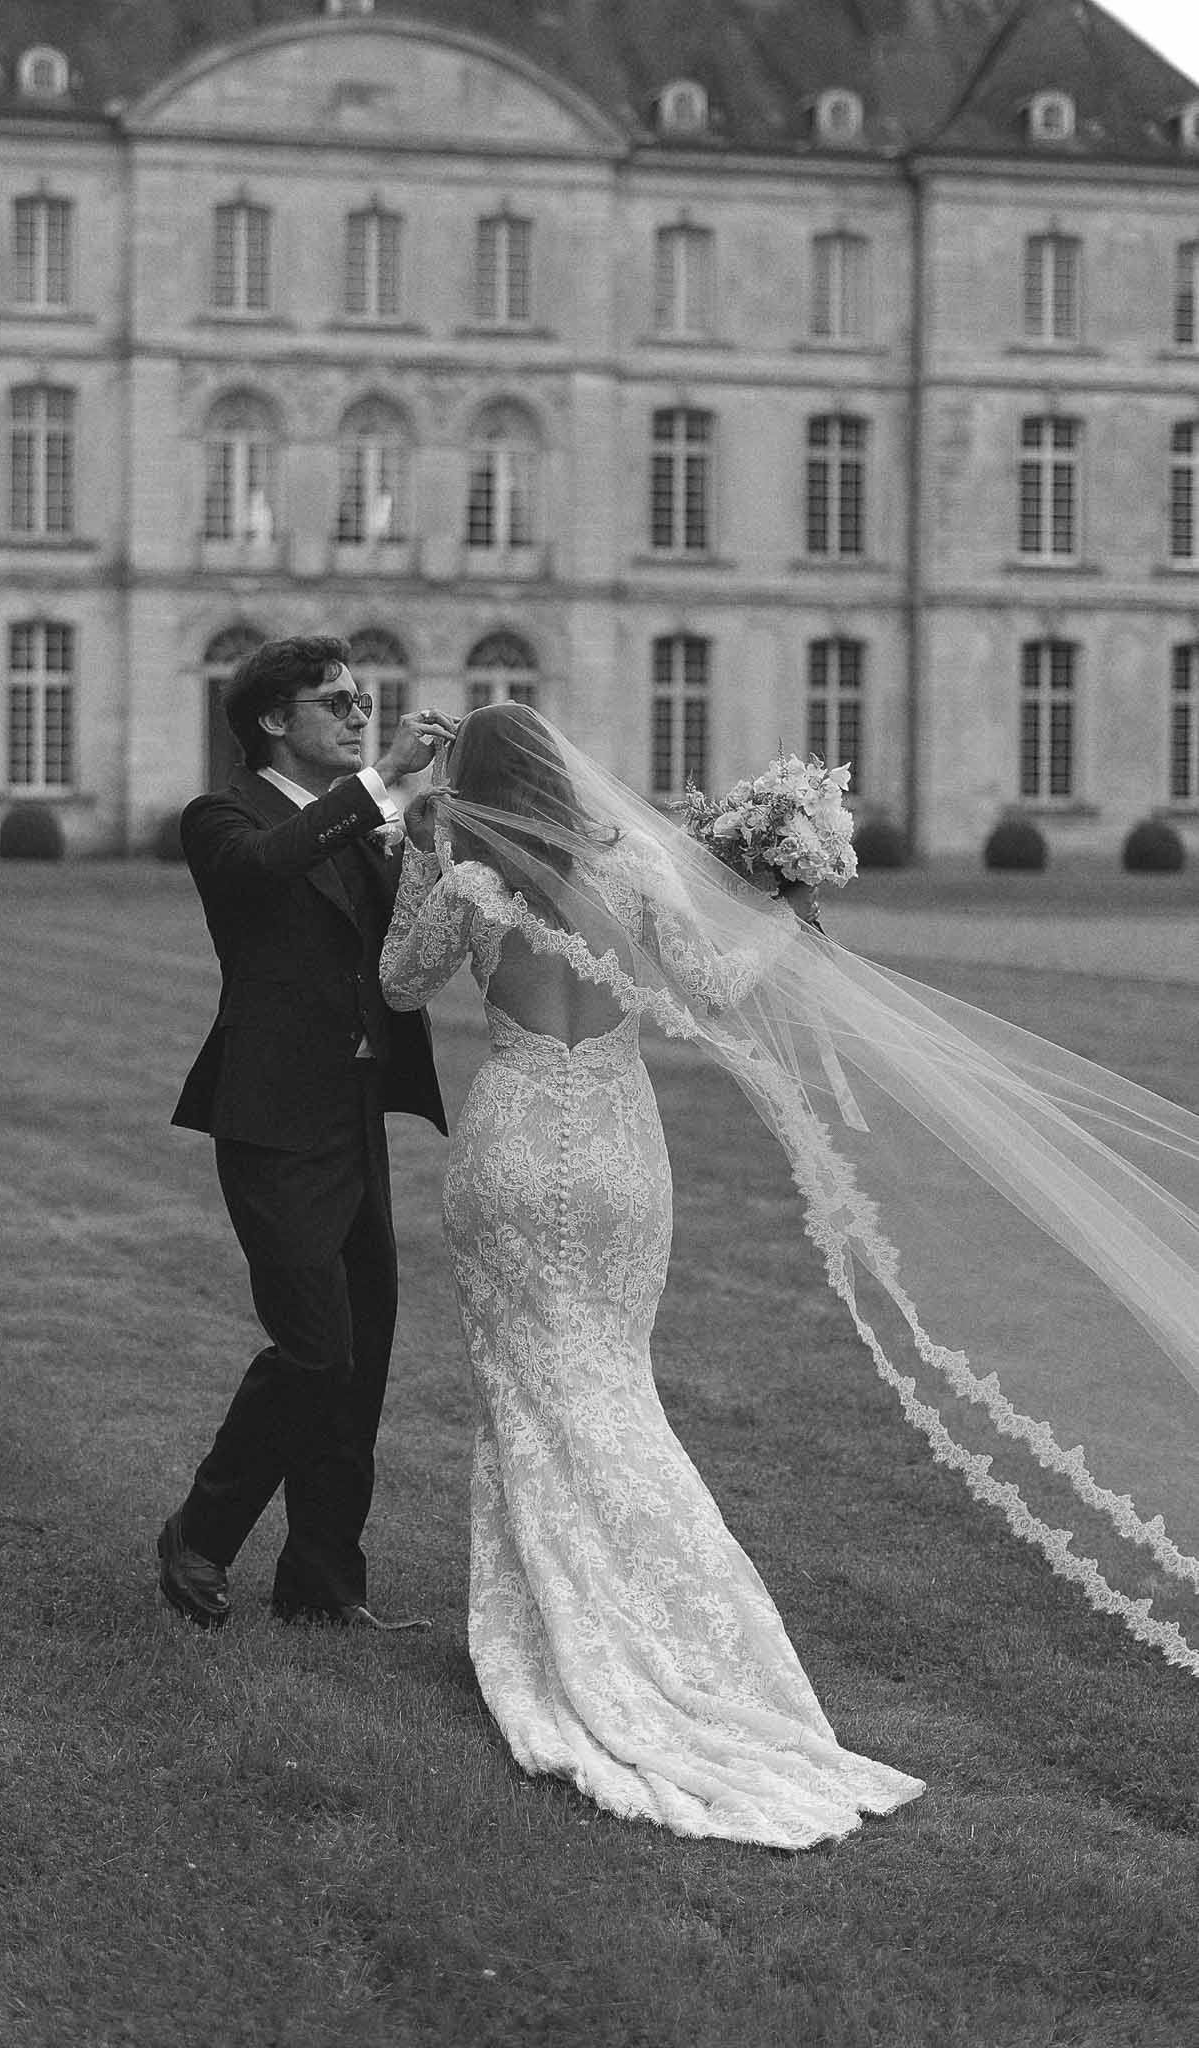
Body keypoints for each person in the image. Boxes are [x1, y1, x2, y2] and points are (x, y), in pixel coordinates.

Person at [378, 703, 1199, 1847]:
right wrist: (784, 904)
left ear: (474, 783)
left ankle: (560, 1625)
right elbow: (715, 981)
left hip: (511, 1138)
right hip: (617, 1142)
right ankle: (669, 1625)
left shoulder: (466, 879)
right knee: (612, 1380)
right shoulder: (633, 869)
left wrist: (420, 843)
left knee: (527, 1384)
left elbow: (399, 983)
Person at [159, 635, 453, 1632]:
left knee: (360, 1355)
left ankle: (323, 1575)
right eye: (335, 701)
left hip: (355, 1113)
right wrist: (379, 787)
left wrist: (429, 838)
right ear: (274, 721)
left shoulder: (361, 821)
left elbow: (402, 950)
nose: (359, 713)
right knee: (314, 1348)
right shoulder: (221, 816)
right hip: (273, 1121)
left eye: (363, 699)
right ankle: (199, 1530)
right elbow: (263, 870)